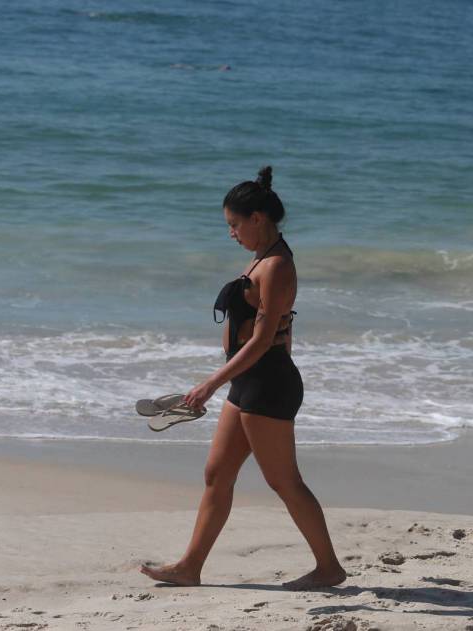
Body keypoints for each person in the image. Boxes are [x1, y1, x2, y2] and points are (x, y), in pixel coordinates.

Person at [140, 166, 346, 591]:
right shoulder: (260, 256)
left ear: (257, 218)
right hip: (249, 382)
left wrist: (211, 383)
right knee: (217, 473)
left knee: (284, 481)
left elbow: (265, 339)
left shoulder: (277, 267)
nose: (231, 233)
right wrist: (228, 379)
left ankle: (329, 568)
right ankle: (190, 567)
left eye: (234, 224)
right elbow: (277, 329)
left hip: (267, 385)